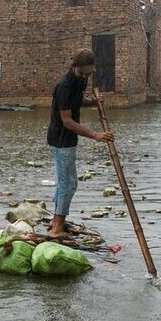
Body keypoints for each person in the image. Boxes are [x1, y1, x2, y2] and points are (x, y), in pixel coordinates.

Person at [47, 49, 115, 238]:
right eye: (82, 72)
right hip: (61, 140)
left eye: (88, 72)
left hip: (68, 140)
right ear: (74, 66)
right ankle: (57, 228)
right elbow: (67, 120)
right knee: (69, 183)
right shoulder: (65, 86)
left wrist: (92, 101)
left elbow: (77, 101)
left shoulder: (80, 80)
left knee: (64, 182)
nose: (85, 76)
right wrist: (96, 135)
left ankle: (56, 220)